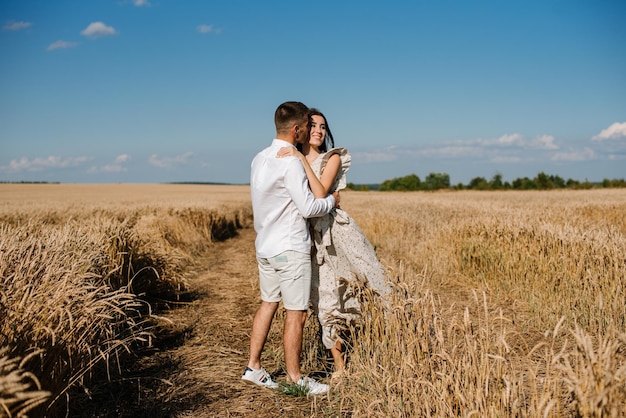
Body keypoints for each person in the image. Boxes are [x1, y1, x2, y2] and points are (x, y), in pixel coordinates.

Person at [277, 108, 391, 377]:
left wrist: (300, 160)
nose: (318, 131)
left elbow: (320, 192)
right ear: (302, 129)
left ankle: (386, 342)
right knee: (325, 301)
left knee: (365, 287)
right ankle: (339, 368)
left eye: (323, 127)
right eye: (313, 125)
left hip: (337, 235)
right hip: (310, 240)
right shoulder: (291, 159)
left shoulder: (333, 157)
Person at [242, 101, 337, 396]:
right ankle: (295, 379)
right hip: (291, 248)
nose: (311, 131)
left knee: (268, 303)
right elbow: (309, 207)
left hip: (265, 246)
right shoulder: (291, 161)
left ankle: (254, 367)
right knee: (297, 313)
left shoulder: (259, 158)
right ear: (296, 130)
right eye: (308, 127)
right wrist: (333, 200)